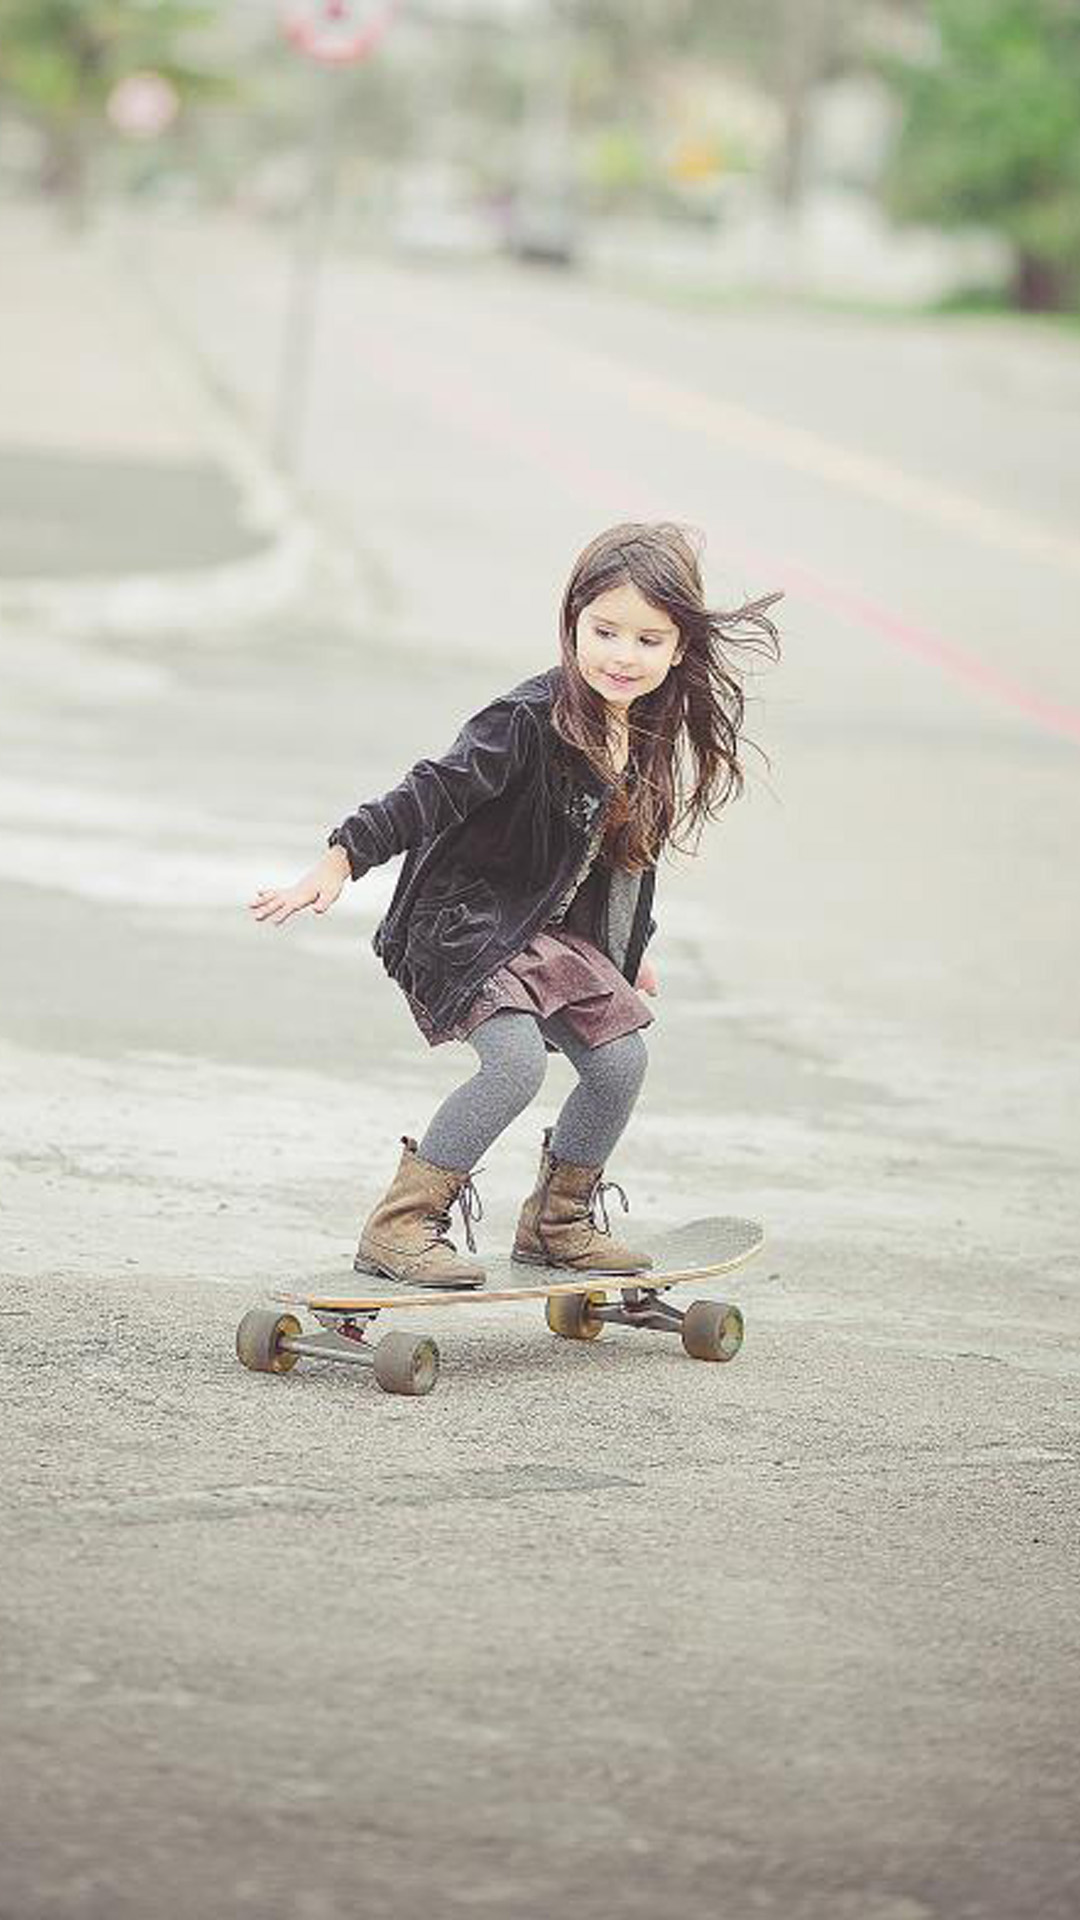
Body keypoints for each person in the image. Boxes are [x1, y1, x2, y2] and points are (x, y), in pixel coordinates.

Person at [249, 521, 781, 1289]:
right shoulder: (527, 719)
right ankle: (398, 1229)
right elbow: (434, 788)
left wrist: (629, 952)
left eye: (647, 640)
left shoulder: (647, 731)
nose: (623, 656)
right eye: (604, 632)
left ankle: (556, 1225)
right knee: (514, 1065)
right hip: (462, 923)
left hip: (544, 931)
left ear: (678, 649)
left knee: (621, 1062)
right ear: (572, 624)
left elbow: (621, 854)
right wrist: (341, 858)